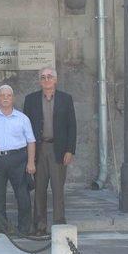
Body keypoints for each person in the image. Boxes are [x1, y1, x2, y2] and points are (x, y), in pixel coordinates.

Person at [23, 67, 77, 235]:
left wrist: (70, 150)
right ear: (40, 81)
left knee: (58, 187)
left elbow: (72, 126)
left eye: (50, 77)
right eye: (43, 77)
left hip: (58, 149)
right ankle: (40, 225)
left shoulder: (65, 99)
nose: (46, 80)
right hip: (39, 149)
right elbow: (25, 128)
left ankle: (59, 223)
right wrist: (28, 155)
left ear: (55, 80)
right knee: (39, 188)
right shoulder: (31, 100)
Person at [0, 85, 36, 235]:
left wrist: (31, 162)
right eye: (2, 95)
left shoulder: (23, 119)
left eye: (8, 95)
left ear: (13, 98)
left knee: (22, 195)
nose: (5, 98)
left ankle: (24, 229)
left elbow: (31, 141)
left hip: (18, 160)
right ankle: (1, 228)